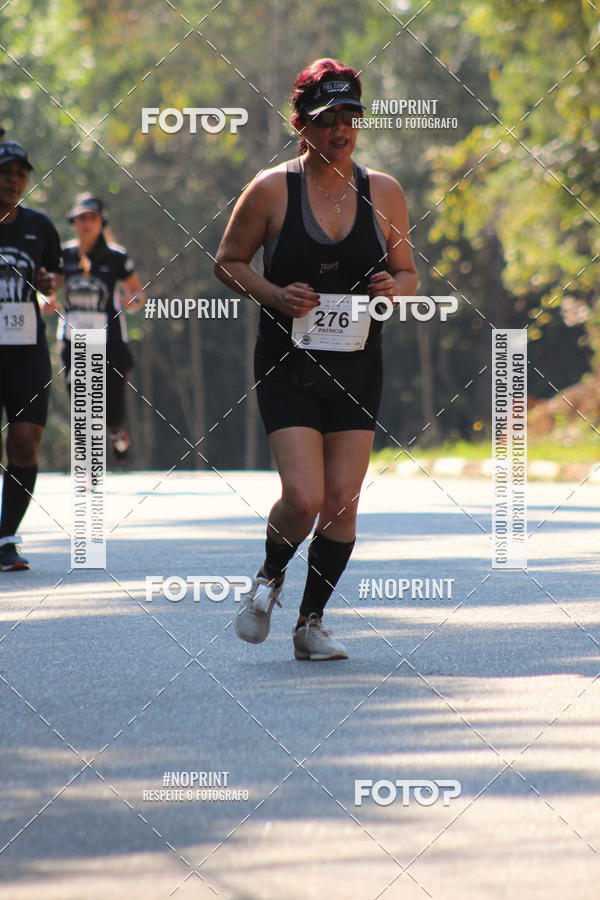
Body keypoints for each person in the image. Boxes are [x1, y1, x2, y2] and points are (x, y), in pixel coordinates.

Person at [215, 58, 418, 659]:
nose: (341, 130)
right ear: (301, 124)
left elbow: (408, 273)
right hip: (288, 366)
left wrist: (396, 289)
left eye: (351, 117)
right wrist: (277, 295)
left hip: (357, 367)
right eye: (328, 118)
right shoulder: (272, 190)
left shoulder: (384, 192)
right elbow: (227, 261)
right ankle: (270, 578)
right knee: (304, 497)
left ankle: (310, 623)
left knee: (343, 502)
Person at [0, 140, 63, 570]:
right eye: (6, 170)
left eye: (21, 172)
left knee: (25, 441)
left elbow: (53, 277)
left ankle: (6, 539)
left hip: (25, 348)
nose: (13, 178)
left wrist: (49, 279)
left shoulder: (40, 226)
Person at [52, 194, 145, 460]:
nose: (86, 224)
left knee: (112, 407)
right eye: (81, 218)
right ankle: (88, 463)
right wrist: (46, 299)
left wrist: (132, 301)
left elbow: (138, 294)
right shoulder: (64, 255)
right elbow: (49, 288)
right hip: (74, 339)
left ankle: (116, 432)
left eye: (91, 218)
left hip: (110, 342)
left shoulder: (117, 257)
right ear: (74, 222)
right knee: (82, 398)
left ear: (101, 222)